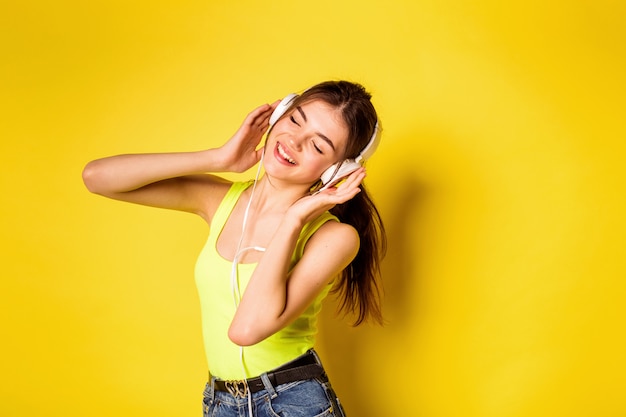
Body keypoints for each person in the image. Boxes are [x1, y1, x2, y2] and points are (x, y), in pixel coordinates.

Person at [82, 80, 386, 416]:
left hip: (291, 402)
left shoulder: (334, 237)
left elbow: (245, 330)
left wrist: (294, 219)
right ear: (279, 114)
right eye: (295, 120)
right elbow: (97, 177)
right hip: (220, 401)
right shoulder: (218, 200)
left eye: (317, 146)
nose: (293, 142)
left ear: (336, 171)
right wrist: (220, 158)